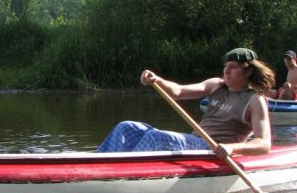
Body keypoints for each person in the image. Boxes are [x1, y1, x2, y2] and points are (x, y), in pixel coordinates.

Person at [97, 47, 275, 158]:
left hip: (211, 149)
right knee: (127, 126)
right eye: (225, 66)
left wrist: (231, 148)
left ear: (248, 71)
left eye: (233, 67)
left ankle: (124, 174)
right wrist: (157, 80)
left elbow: (264, 144)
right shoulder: (216, 85)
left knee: (157, 137)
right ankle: (97, 165)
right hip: (194, 141)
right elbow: (178, 92)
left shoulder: (255, 101)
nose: (226, 72)